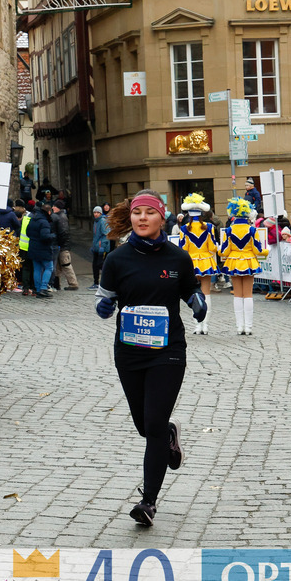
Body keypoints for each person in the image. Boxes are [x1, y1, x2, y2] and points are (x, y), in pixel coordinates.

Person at [94, 190, 205, 527]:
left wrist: (198, 303)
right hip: (129, 352)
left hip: (168, 351)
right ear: (130, 218)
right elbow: (106, 298)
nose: (142, 218)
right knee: (146, 426)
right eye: (137, 213)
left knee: (153, 424)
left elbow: (191, 289)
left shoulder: (177, 259)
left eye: (149, 213)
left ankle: (148, 502)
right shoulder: (117, 260)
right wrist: (104, 306)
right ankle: (169, 434)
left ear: (161, 218)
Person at [220, 197, 266, 335]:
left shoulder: (228, 230)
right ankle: (249, 327)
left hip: (234, 261)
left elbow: (224, 251)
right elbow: (258, 250)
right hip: (248, 261)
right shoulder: (252, 230)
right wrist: (266, 251)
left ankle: (239, 327)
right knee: (248, 294)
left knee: (238, 295)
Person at [177, 193, 219, 334]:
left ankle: (197, 325)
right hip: (206, 262)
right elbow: (213, 247)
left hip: (191, 264)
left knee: (194, 294)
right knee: (206, 294)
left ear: (188, 214)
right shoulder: (209, 227)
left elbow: (183, 249)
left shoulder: (184, 229)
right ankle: (205, 326)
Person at [26, 199, 56, 298]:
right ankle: (43, 288)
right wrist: (53, 236)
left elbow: (27, 233)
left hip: (33, 247)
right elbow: (45, 236)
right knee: (49, 267)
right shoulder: (44, 222)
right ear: (49, 212)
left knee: (37, 269)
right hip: (43, 248)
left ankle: (38, 289)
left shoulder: (33, 219)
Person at [51, 199, 79, 290]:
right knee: (58, 265)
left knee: (66, 264)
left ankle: (73, 283)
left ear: (58, 208)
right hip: (62, 245)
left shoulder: (61, 217)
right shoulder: (60, 216)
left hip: (63, 246)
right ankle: (56, 283)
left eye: (54, 206)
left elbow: (63, 233)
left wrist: (60, 244)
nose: (52, 208)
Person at [89, 205, 110, 290]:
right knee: (95, 265)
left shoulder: (102, 221)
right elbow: (95, 236)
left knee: (100, 264)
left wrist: (102, 246)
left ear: (101, 213)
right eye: (95, 212)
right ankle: (95, 282)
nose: (96, 214)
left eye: (98, 212)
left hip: (101, 247)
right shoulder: (95, 222)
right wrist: (93, 246)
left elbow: (106, 235)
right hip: (96, 247)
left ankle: (107, 281)